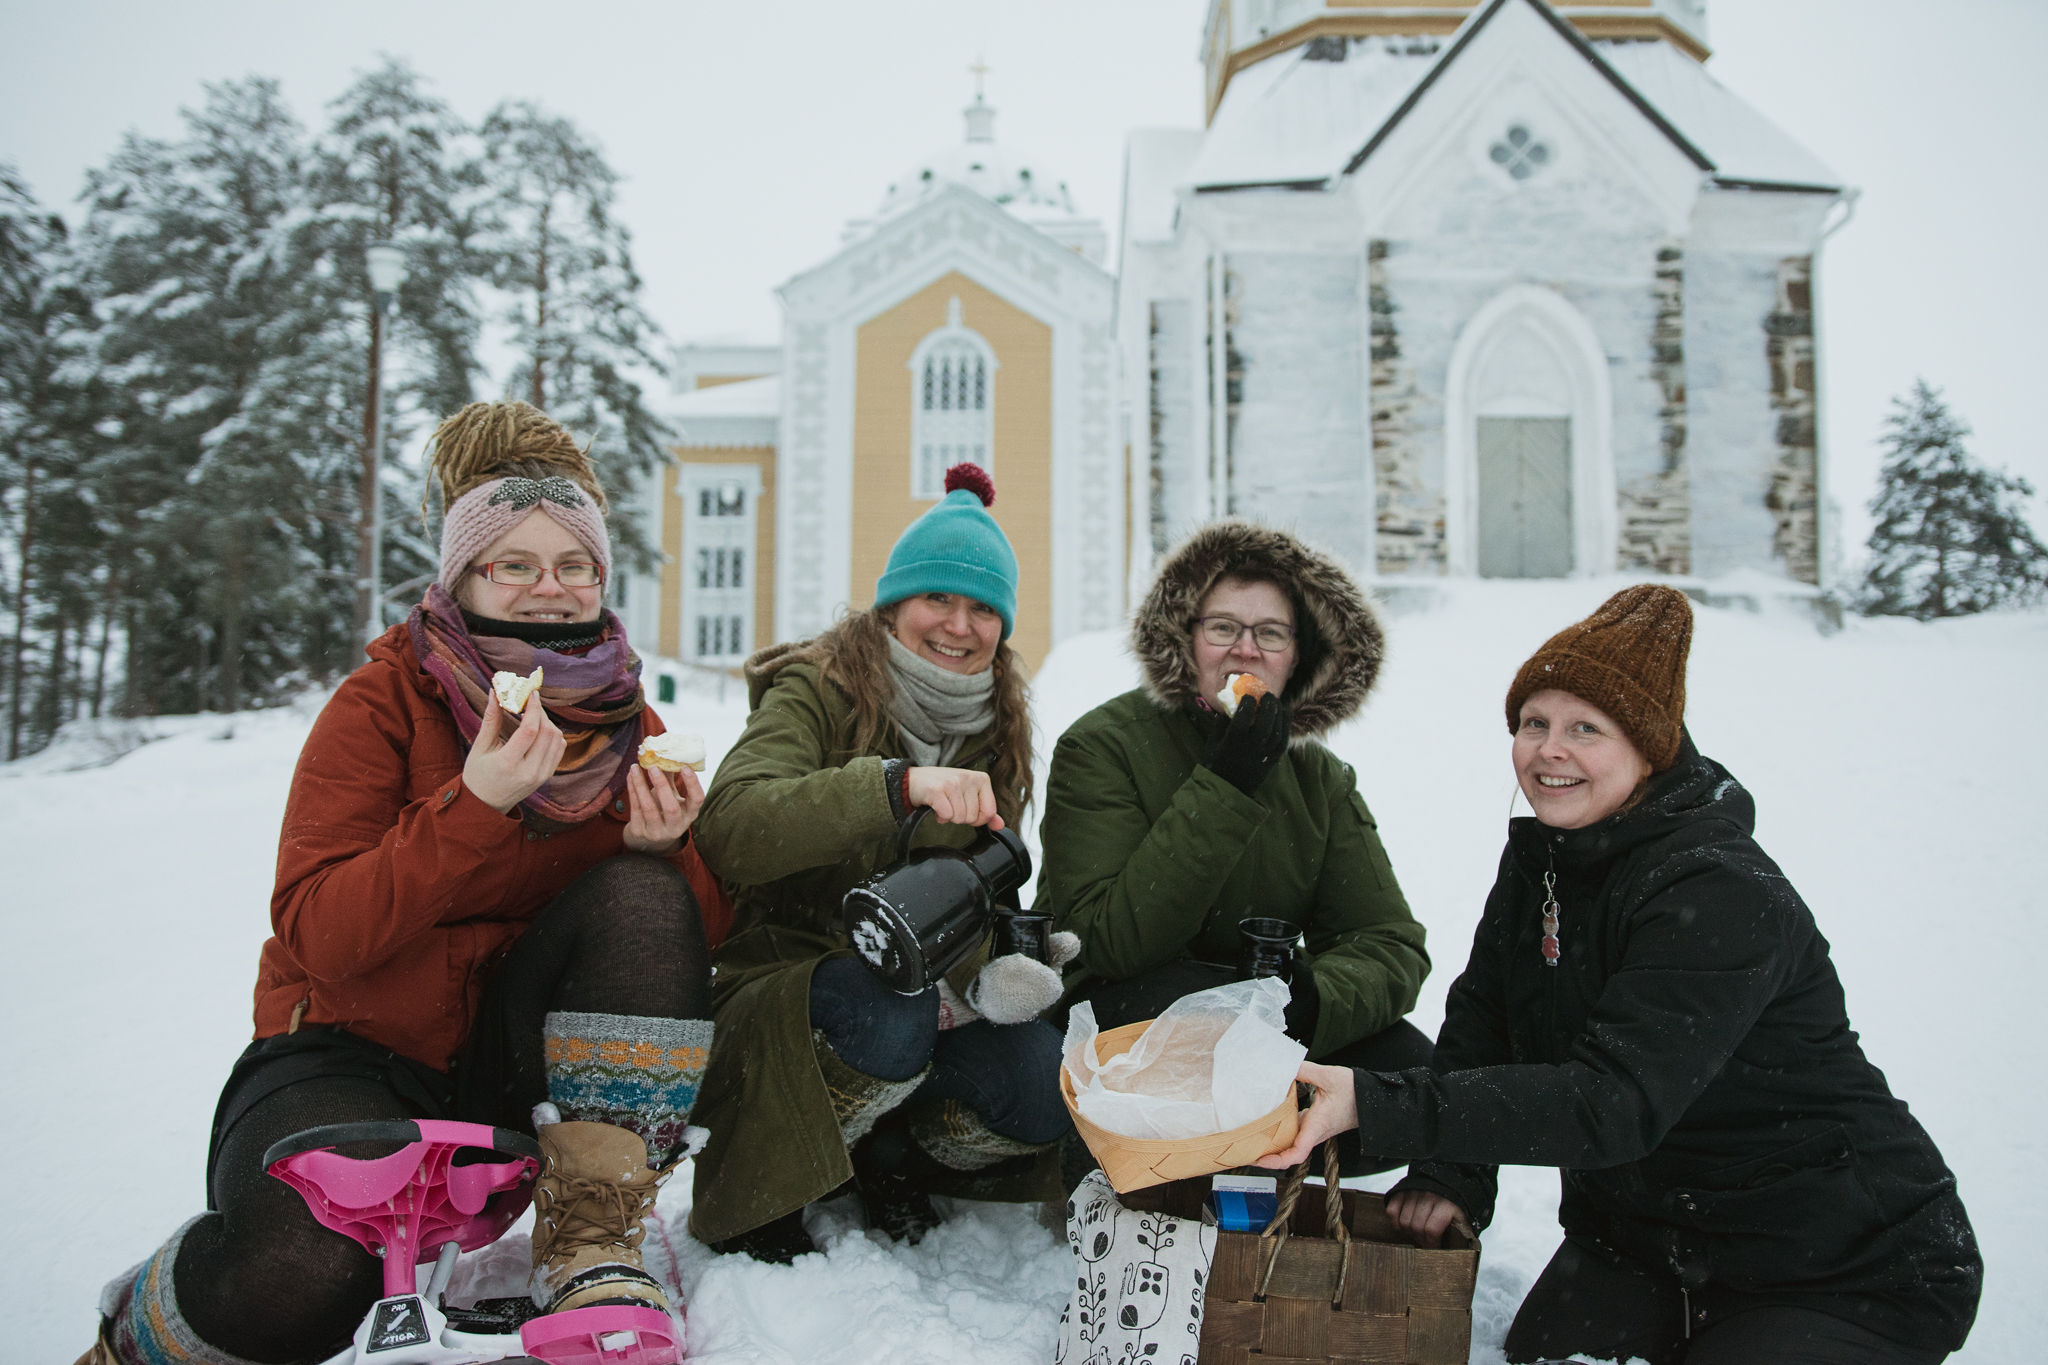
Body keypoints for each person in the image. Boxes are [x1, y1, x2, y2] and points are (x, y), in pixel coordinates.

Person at [80, 401, 728, 1365]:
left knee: (643, 893)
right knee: (300, 1280)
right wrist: (473, 805)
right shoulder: (381, 702)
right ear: (463, 576)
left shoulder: (632, 726)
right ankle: (144, 1318)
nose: (550, 589)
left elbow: (678, 957)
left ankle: (591, 1237)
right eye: (516, 563)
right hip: (346, 1051)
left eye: (574, 565)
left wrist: (666, 847)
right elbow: (318, 936)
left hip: (512, 1076)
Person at [1265, 584, 1982, 1364]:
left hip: (1835, 1259)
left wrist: (1377, 1101)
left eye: (1586, 729)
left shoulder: (1720, 888)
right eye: (1534, 723)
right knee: (1537, 1352)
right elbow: (1486, 1018)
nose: (1550, 750)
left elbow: (1613, 1102)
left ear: (1650, 748)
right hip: (1646, 1246)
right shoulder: (1544, 857)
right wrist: (1450, 1172)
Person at [688, 463, 1072, 1263]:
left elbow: (975, 890)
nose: (958, 626)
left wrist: (996, 968)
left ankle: (885, 1159)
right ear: (895, 603)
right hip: (786, 981)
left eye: (981, 608)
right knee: (883, 1009)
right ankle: (779, 1177)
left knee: (1041, 1079)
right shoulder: (817, 689)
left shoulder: (998, 728)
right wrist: (893, 789)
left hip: (916, 989)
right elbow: (731, 825)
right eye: (939, 598)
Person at [1035, 521, 1433, 1124]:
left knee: (1409, 1074)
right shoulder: (1103, 746)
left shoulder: (1318, 778)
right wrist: (1226, 783)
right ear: (1184, 639)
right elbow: (1109, 943)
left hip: (1257, 1014)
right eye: (1222, 628)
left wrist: (1308, 1001)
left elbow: (1386, 942)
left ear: (1299, 656)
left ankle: (1267, 1161)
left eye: (1270, 633)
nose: (1244, 650)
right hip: (1123, 1012)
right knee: (1198, 1028)